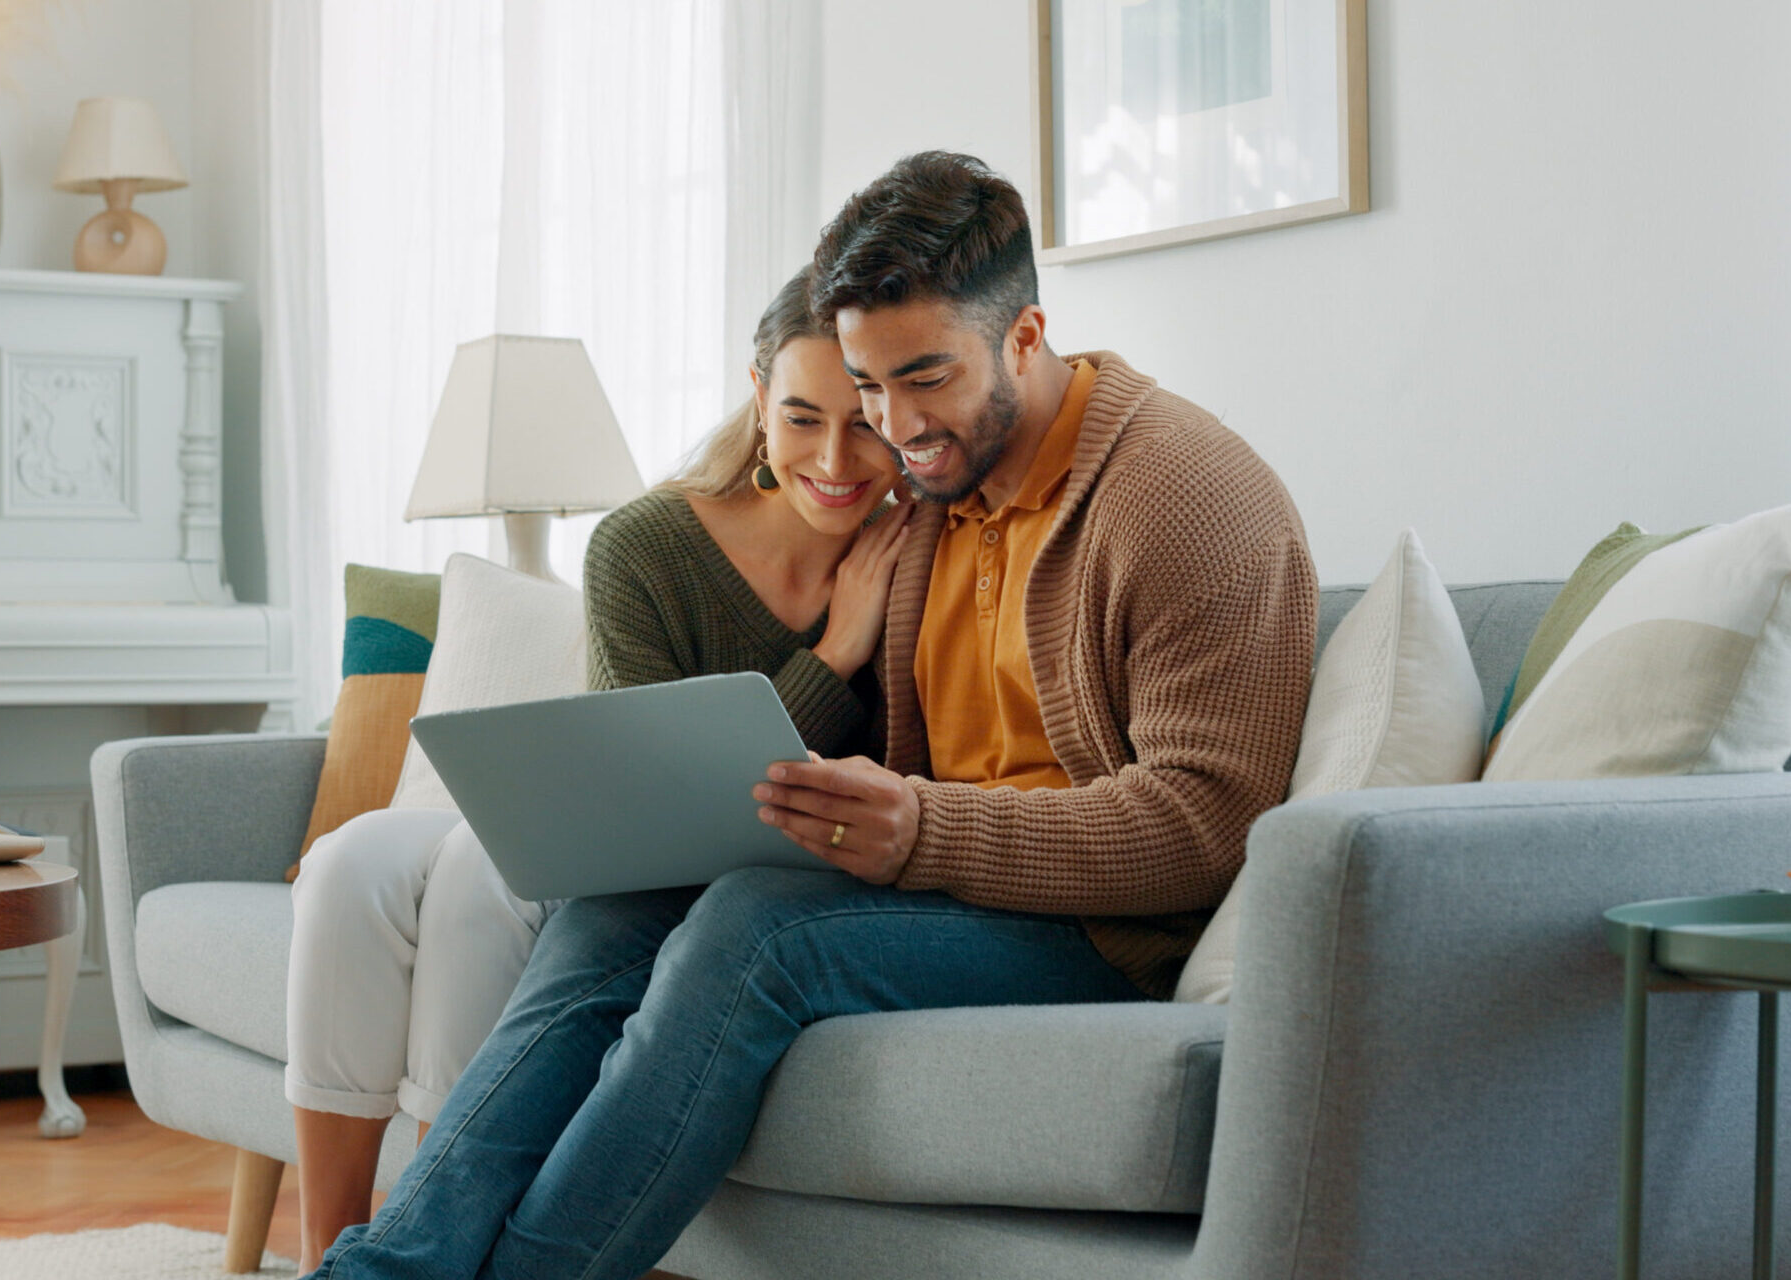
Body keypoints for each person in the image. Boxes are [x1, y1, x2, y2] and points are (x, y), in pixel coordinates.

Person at [308, 151, 1318, 1280]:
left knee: (756, 929)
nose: (893, 426)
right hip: (946, 887)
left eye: (921, 378)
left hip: (1101, 929)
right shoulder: (932, 494)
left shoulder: (1183, 497)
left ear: (1026, 337)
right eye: (867, 383)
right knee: (616, 909)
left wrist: (927, 831)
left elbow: (1205, 827)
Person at [282, 267, 911, 1271]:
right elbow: (656, 815)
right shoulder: (647, 545)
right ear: (756, 400)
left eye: (864, 423)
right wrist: (833, 658)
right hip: (641, 867)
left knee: (508, 901)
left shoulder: (917, 553)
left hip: (789, 884)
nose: (835, 458)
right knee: (374, 869)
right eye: (800, 418)